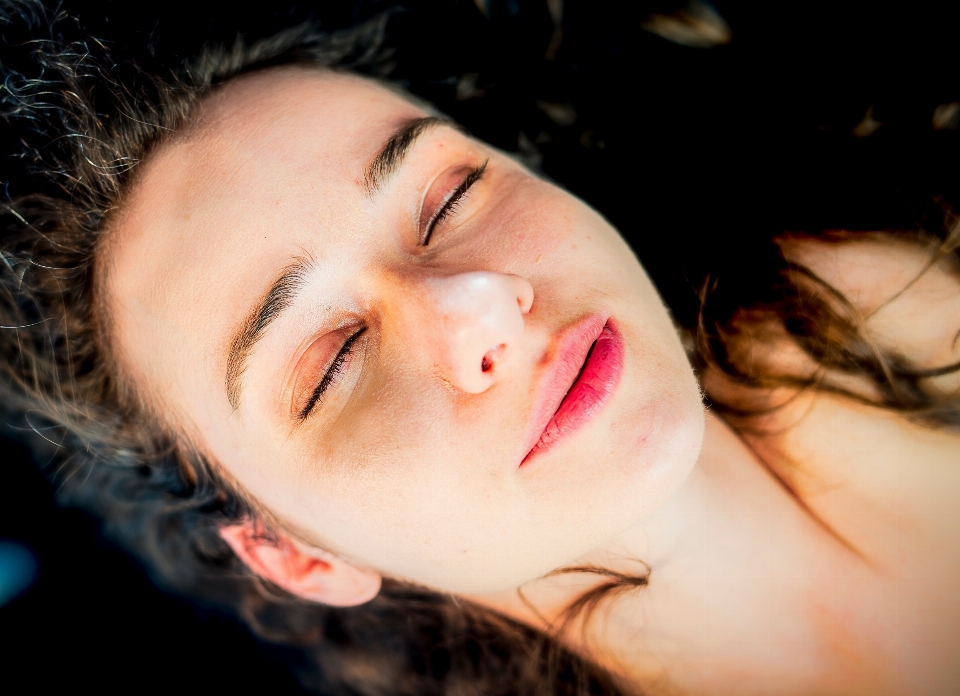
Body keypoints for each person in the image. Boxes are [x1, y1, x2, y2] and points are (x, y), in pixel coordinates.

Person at [1, 1, 958, 693]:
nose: (483, 305)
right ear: (297, 557)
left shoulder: (887, 279)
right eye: (333, 360)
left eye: (450, 198)